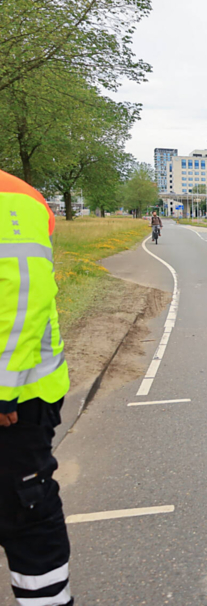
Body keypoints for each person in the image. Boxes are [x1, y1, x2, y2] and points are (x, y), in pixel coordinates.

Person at [0, 169, 74, 605]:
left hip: (17, 402)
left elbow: (21, 292)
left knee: (26, 517)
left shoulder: (10, 196)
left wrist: (3, 385)